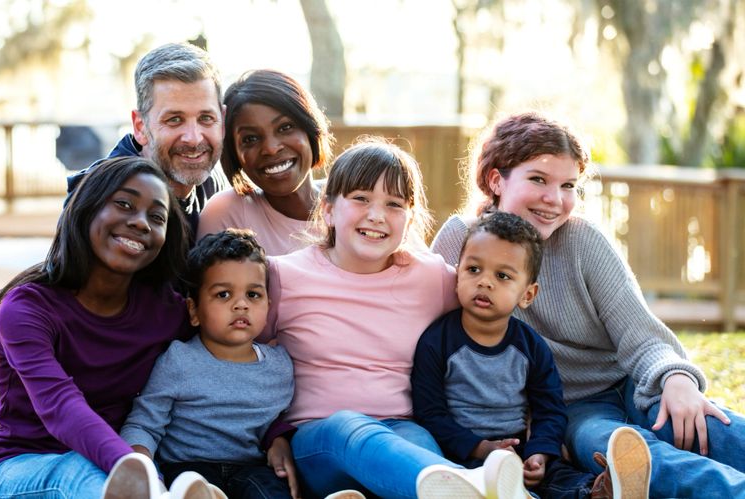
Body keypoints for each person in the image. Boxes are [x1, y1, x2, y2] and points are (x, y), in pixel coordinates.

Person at [430, 111, 745, 498]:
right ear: (497, 180)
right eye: (538, 179)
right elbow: (437, 341)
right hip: (571, 410)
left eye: (568, 185)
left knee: (704, 424)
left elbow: (640, 334)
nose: (554, 199)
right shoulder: (461, 241)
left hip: (630, 384)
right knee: (620, 450)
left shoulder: (583, 241)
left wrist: (675, 379)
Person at [261, 138, 526, 499]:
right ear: (327, 210)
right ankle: (476, 487)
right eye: (361, 198)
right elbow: (242, 359)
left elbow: (495, 314)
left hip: (403, 429)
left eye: (394, 204)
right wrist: (272, 433)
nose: (377, 215)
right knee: (348, 427)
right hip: (321, 440)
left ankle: (466, 489)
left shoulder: (431, 277)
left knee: (422, 448)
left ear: (410, 218)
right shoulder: (283, 276)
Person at [0, 156, 193, 499]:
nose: (140, 223)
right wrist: (134, 468)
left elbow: (221, 357)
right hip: (24, 464)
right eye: (124, 204)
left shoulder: (166, 311)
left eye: (156, 217)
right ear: (88, 208)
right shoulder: (27, 308)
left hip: (120, 464)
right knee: (80, 473)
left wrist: (277, 433)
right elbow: (62, 408)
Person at [414, 211, 652, 498]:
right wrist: (480, 448)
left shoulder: (531, 347)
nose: (485, 282)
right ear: (457, 273)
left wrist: (540, 453)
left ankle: (600, 491)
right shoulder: (436, 342)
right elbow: (430, 413)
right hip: (460, 453)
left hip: (519, 452)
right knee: (470, 483)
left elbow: (549, 409)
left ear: (527, 294)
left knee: (560, 478)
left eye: (502, 276)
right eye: (473, 269)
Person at [119, 228, 297, 499]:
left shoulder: (280, 365)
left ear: (268, 305)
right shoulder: (179, 360)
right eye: (224, 294)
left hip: (250, 467)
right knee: (193, 487)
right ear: (194, 311)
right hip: (187, 466)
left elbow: (277, 418)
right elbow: (145, 423)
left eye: (253, 295)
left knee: (271, 491)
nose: (241, 305)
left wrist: (278, 438)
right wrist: (139, 469)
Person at [67, 42, 229, 239]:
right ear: (140, 127)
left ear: (221, 120)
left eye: (206, 118)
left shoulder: (216, 188)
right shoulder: (98, 200)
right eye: (174, 120)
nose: (194, 139)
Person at [196, 69, 332, 255]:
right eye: (250, 139)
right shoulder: (226, 215)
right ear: (234, 154)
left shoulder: (356, 201)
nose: (271, 148)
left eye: (285, 127)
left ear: (310, 128)